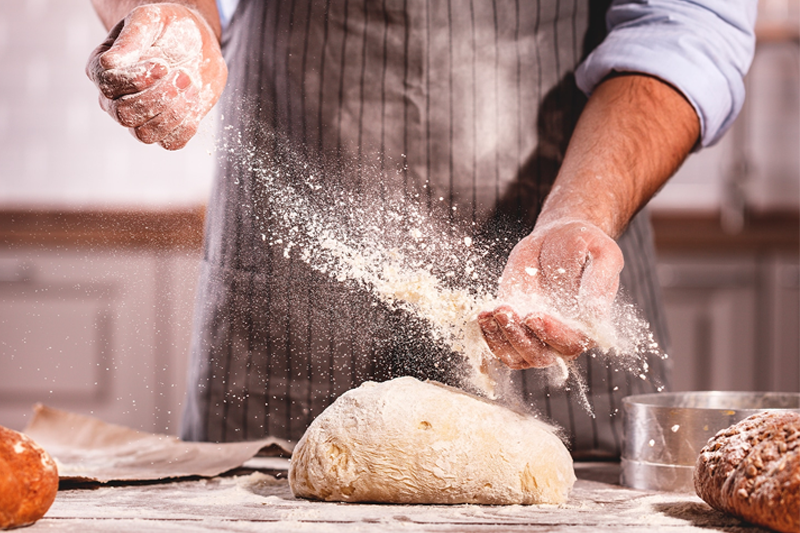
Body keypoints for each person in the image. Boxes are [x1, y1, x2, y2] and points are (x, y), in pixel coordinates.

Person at [86, 0, 756, 457]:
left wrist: (581, 209)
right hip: (286, 308)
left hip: (560, 267)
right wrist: (169, 20)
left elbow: (689, 22)